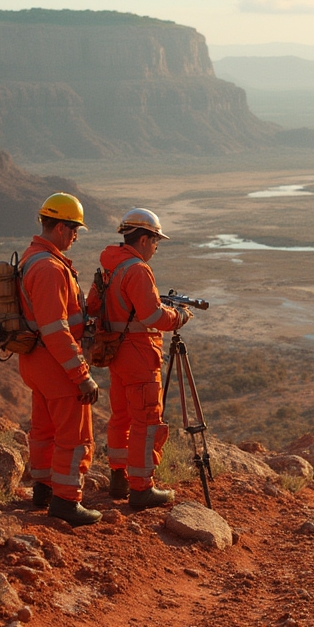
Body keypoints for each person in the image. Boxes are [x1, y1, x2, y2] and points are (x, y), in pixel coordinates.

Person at [92, 208, 191, 510]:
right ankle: (142, 488)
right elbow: (151, 315)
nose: (157, 247)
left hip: (117, 354)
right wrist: (178, 318)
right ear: (145, 239)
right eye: (156, 241)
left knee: (121, 417)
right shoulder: (137, 269)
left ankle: (119, 477)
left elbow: (94, 305)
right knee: (147, 420)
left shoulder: (110, 266)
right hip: (138, 354)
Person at [20, 192, 102, 527]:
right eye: (73, 229)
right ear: (58, 227)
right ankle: (67, 501)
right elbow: (56, 330)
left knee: (44, 429)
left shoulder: (31, 258)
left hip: (36, 363)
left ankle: (43, 488)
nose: (76, 236)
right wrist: (82, 375)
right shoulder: (50, 268)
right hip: (56, 364)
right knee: (74, 435)